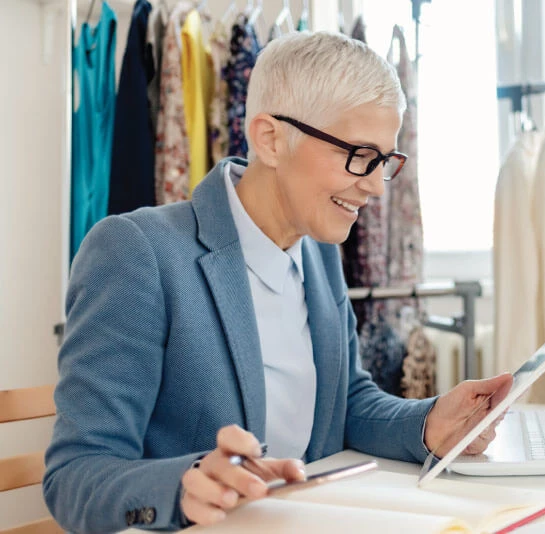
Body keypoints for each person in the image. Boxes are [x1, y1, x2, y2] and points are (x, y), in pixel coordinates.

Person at [44, 31, 513, 533]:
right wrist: (183, 487)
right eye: (359, 155)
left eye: (384, 162)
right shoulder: (137, 251)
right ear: (270, 138)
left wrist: (427, 423)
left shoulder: (318, 251)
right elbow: (74, 475)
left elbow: (344, 402)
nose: (376, 186)